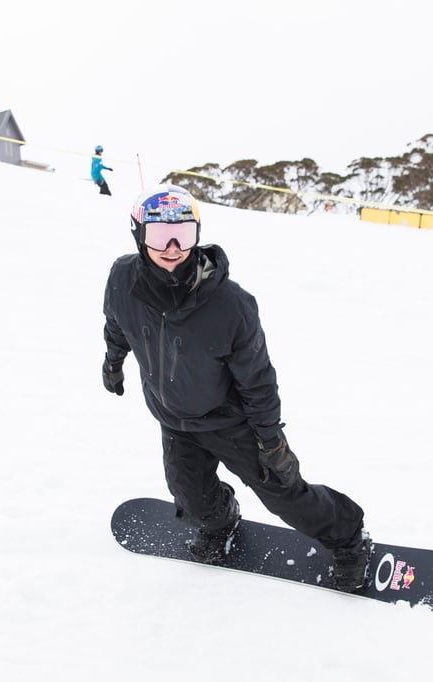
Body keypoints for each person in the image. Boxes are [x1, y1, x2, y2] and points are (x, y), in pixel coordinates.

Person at [101, 184, 372, 591]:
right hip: (174, 418)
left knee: (286, 495)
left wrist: (271, 440)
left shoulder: (230, 304)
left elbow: (258, 378)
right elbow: (117, 323)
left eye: (184, 234)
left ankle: (350, 538)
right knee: (190, 496)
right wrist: (113, 361)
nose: (173, 246)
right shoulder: (123, 278)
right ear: (139, 234)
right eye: (160, 235)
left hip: (231, 420)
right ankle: (221, 522)